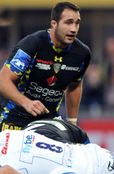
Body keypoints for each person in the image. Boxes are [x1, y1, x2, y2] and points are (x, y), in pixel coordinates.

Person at [0, 1, 91, 131]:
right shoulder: (32, 44)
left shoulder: (82, 53)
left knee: (81, 144)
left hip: (49, 121)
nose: (73, 29)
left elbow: (75, 85)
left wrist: (72, 122)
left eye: (77, 23)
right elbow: (3, 81)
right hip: (14, 119)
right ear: (54, 24)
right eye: (68, 22)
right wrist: (26, 102)